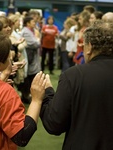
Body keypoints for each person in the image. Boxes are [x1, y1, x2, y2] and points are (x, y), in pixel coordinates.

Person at [39, 20, 113, 150]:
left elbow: (54, 123)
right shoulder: (74, 76)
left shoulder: (74, 76)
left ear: (89, 47)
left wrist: (47, 93)